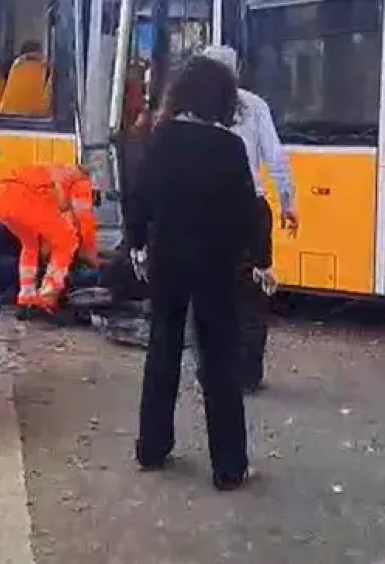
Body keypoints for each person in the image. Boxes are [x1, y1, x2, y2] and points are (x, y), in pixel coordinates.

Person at [126, 55, 267, 491]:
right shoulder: (229, 148)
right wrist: (261, 260)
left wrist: (136, 243)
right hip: (216, 263)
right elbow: (249, 210)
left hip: (168, 258)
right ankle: (228, 465)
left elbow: (139, 195)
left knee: (163, 349)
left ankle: (152, 447)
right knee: (220, 358)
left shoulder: (162, 138)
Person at [198, 44, 296, 394]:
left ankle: (211, 368)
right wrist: (288, 202)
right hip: (251, 208)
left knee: (210, 290)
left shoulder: (193, 110)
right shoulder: (255, 106)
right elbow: (276, 157)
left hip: (207, 210)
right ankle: (248, 371)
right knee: (252, 292)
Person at [0, 162, 99, 316]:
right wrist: (91, 256)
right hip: (22, 195)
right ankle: (47, 297)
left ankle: (27, 297)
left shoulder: (58, 171)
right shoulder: (80, 181)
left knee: (30, 244)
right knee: (67, 240)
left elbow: (49, 221)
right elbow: (84, 219)